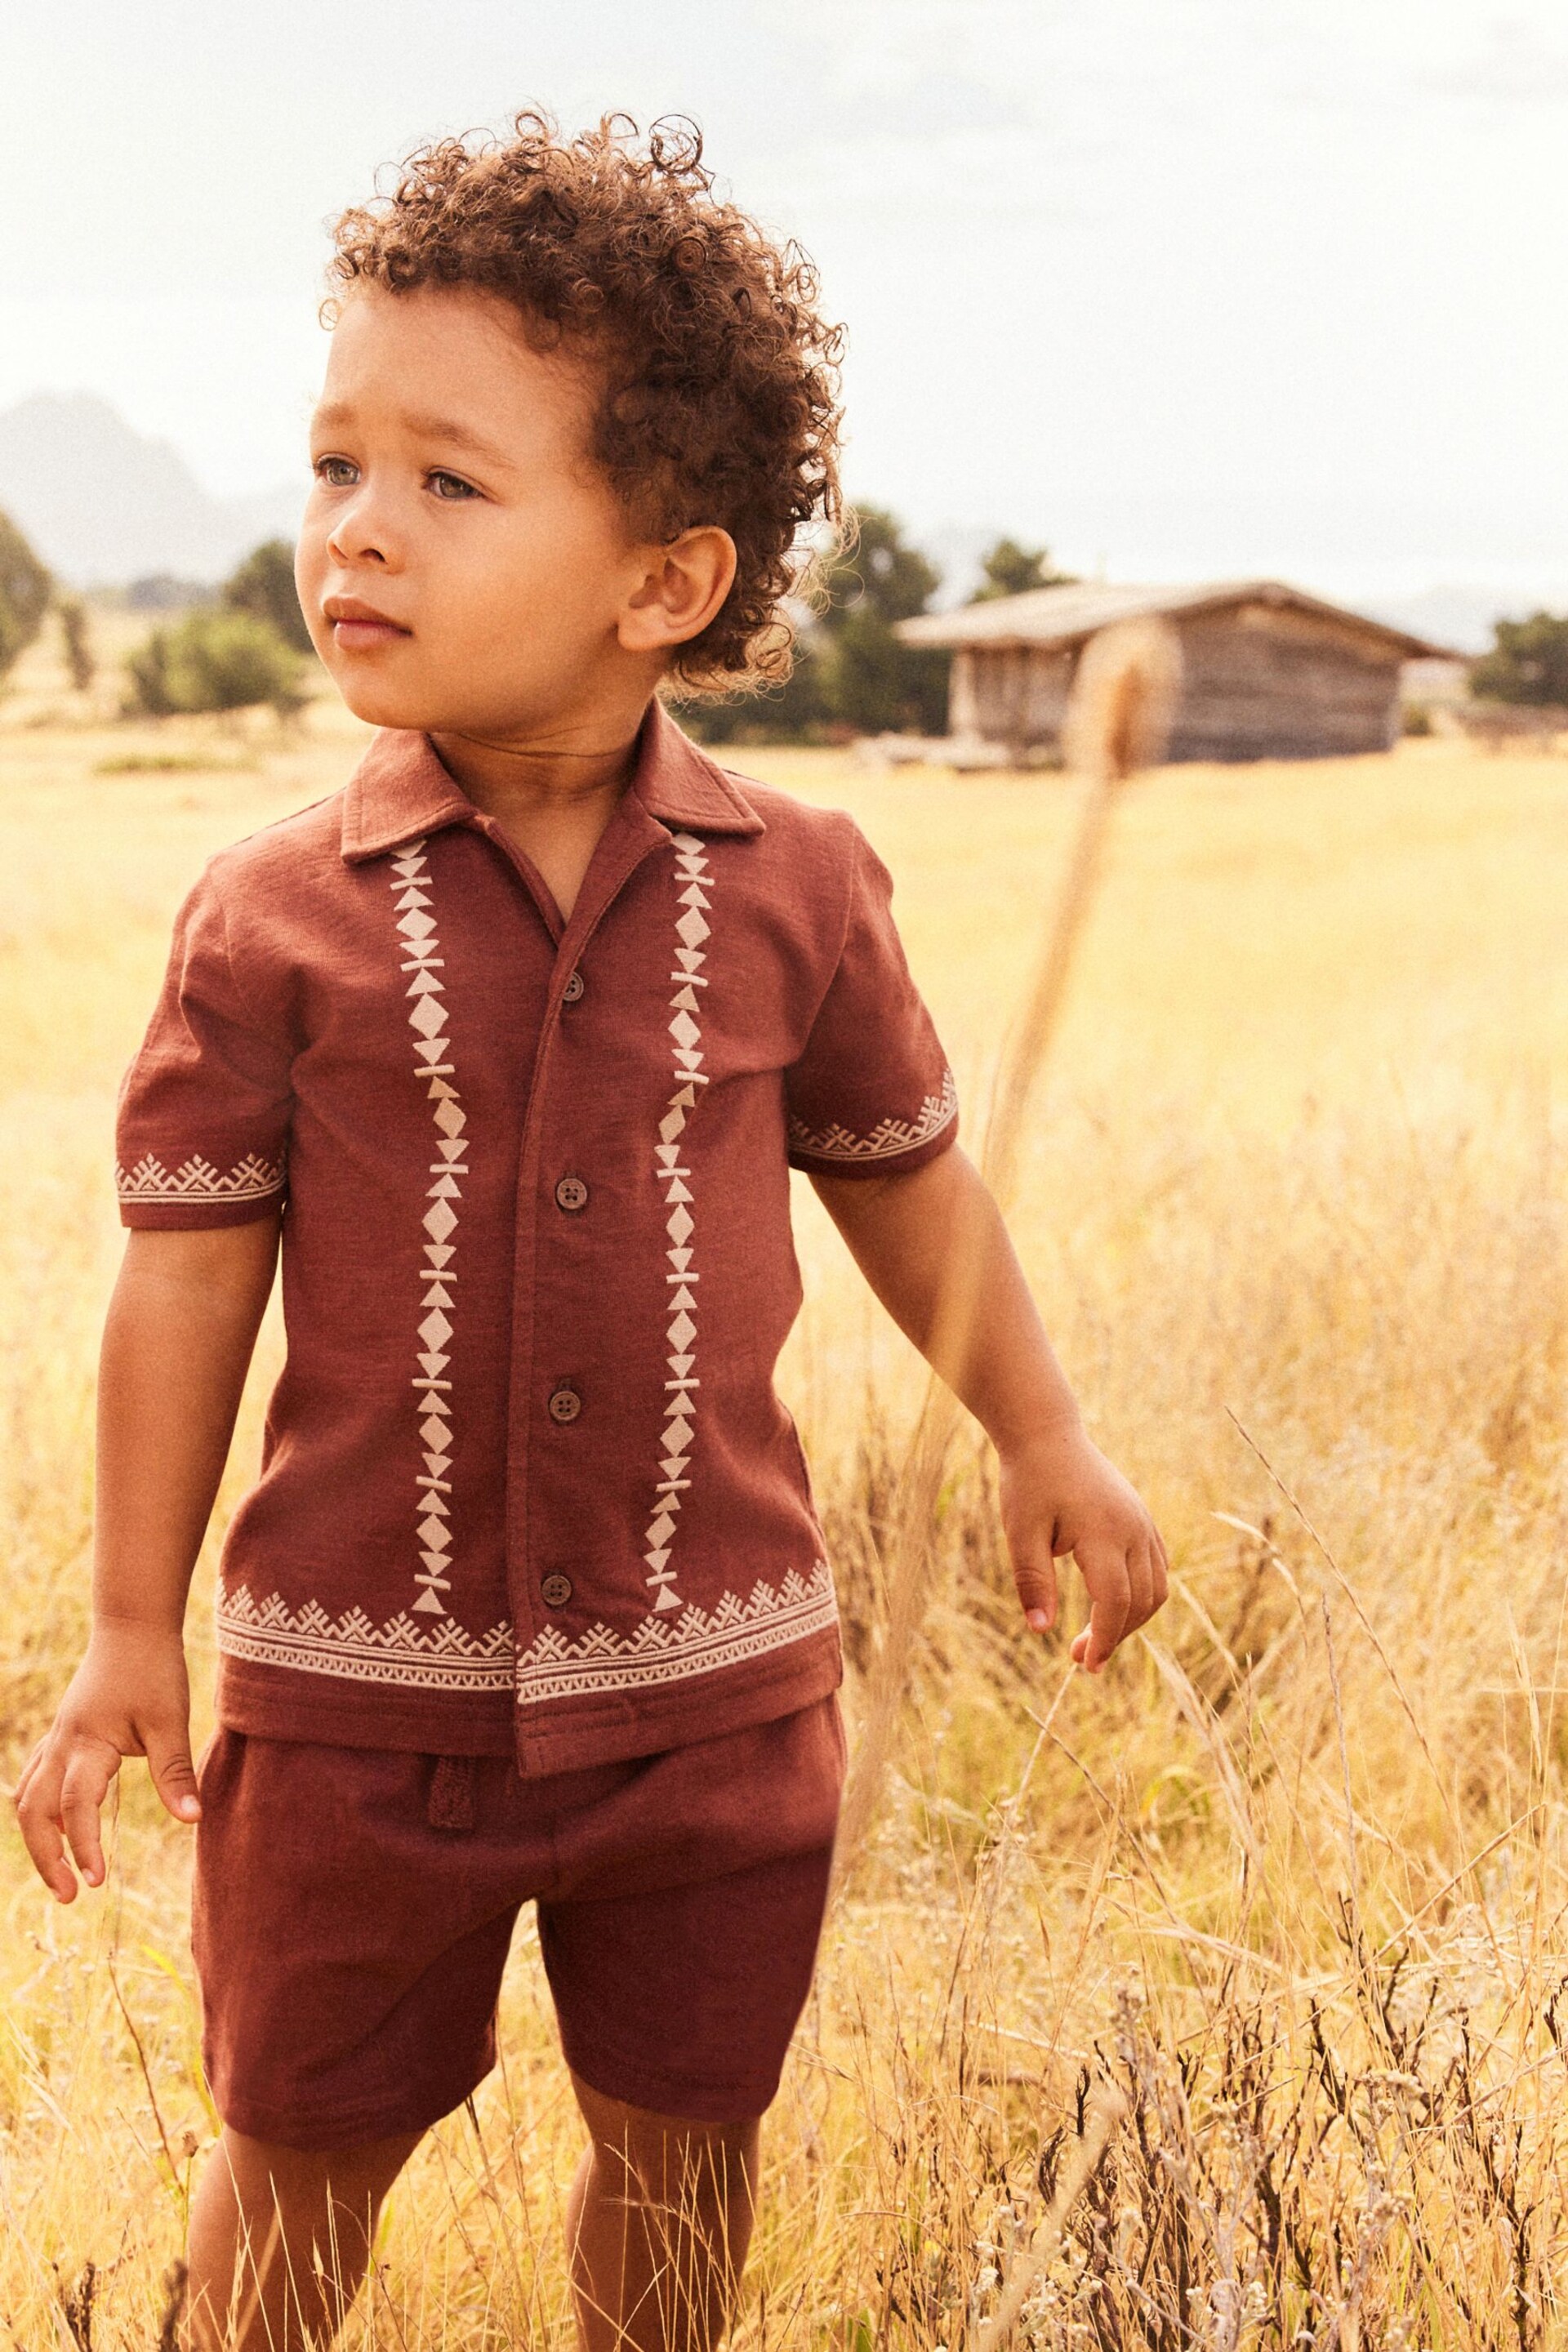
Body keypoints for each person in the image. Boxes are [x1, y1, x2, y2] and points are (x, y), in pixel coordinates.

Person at [13, 114, 1168, 2352]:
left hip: (716, 1703)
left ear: (667, 584)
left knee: (678, 2171)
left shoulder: (803, 888)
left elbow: (904, 1175)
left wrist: (1049, 1436)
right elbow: (183, 1272)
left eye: (450, 481)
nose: (356, 526)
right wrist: (126, 1626)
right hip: (353, 1713)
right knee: (295, 2170)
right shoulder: (267, 918)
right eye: (335, 461)